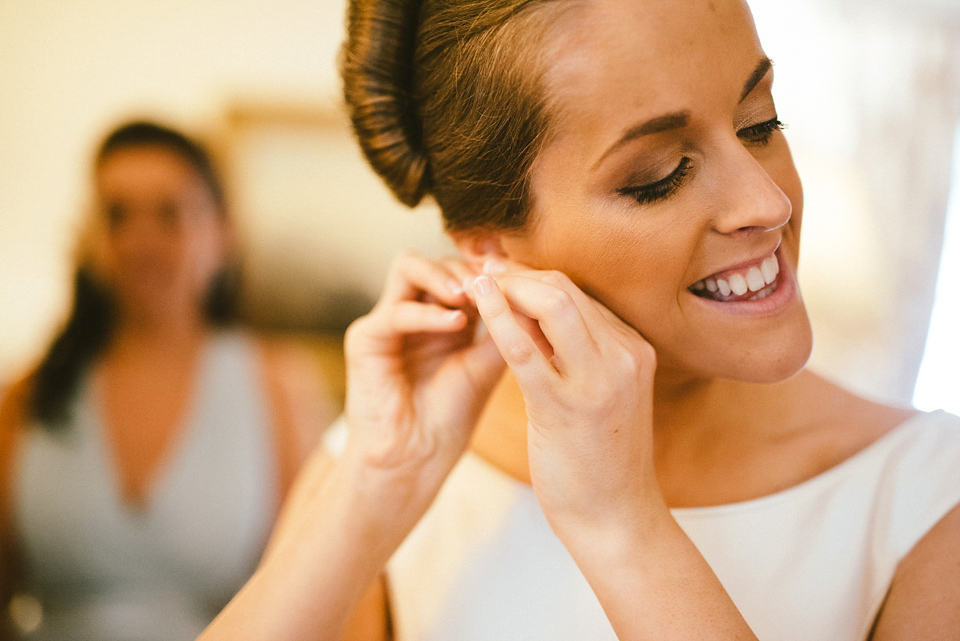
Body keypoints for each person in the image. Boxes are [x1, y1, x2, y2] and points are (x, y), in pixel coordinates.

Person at [202, 0, 960, 639]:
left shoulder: (927, 498)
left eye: (760, 121)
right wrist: (372, 490)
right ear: (491, 248)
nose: (770, 202)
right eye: (659, 176)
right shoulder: (380, 469)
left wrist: (623, 527)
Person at [0, 121, 334, 641]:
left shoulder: (277, 387)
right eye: (116, 215)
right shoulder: (27, 394)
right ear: (91, 239)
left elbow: (312, 585)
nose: (141, 240)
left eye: (169, 214)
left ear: (221, 232)